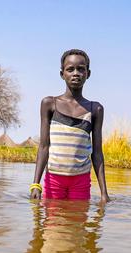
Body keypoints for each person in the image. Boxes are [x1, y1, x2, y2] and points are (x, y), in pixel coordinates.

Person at [29, 49, 110, 203]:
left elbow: (97, 153)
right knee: (52, 225)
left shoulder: (95, 109)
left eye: (81, 69)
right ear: (62, 74)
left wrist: (104, 193)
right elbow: (44, 147)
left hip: (81, 181)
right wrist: (35, 185)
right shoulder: (49, 104)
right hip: (54, 179)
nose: (76, 73)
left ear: (88, 73)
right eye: (70, 69)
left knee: (78, 223)